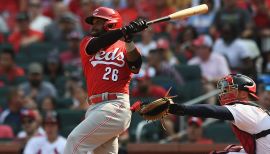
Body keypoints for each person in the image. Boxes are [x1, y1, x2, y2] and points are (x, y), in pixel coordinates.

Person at [64, 7, 148, 154]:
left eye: (98, 22)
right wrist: (123, 31)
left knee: (75, 141)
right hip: (94, 108)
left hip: (115, 104)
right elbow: (95, 45)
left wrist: (128, 39)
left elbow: (135, 67)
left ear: (111, 24)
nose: (93, 26)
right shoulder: (88, 42)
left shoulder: (125, 48)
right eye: (93, 22)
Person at [167, 74, 270, 153]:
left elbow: (212, 111)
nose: (224, 93)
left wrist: (179, 108)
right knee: (232, 150)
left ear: (243, 93)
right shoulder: (252, 109)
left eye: (229, 89)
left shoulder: (245, 109)